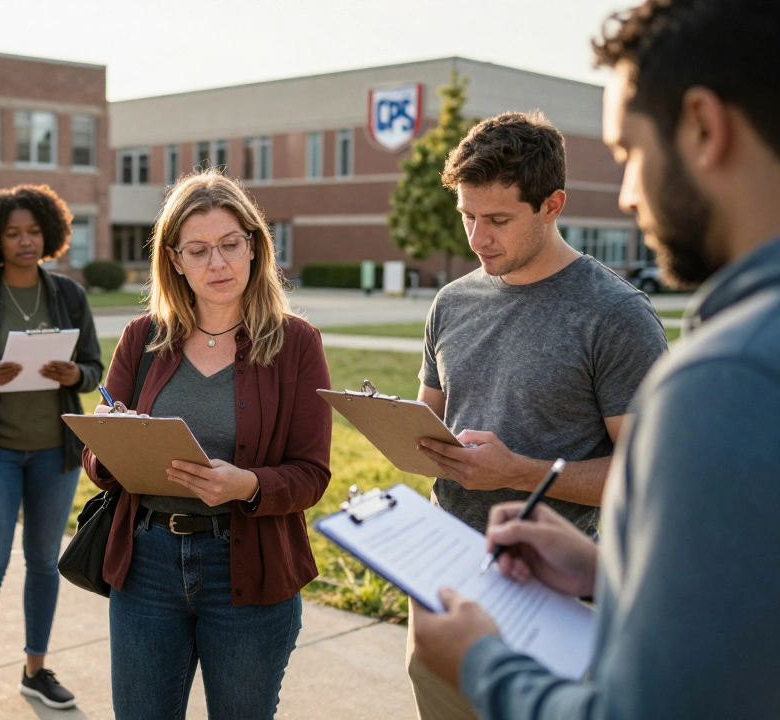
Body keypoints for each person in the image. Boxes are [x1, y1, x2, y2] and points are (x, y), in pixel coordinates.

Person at [411, 0, 780, 717]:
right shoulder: (453, 301)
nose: (628, 193)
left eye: (629, 152)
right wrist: (608, 573)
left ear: (705, 126)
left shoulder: (728, 377)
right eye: (469, 218)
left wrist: (484, 665)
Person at [403, 110, 668, 719]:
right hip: (446, 587)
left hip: (556, 604)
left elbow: (651, 478)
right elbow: (429, 423)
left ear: (553, 205)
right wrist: (404, 435)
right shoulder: (450, 302)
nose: (476, 237)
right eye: (467, 216)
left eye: (497, 219)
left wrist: (519, 471)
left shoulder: (616, 316)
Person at [84, 171, 332, 720]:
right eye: (197, 251)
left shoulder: (297, 343)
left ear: (254, 245)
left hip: (249, 567)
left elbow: (312, 474)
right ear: (173, 259)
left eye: (229, 245)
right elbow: (99, 465)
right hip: (146, 565)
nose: (217, 265)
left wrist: (247, 486)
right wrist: (108, 440)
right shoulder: (142, 336)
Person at [0, 184, 102, 720]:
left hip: (54, 454)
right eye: (13, 234)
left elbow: (97, 368)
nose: (25, 242)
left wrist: (76, 373)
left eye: (33, 232)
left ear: (49, 234)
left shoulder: (70, 295)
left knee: (43, 565)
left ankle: (35, 671)